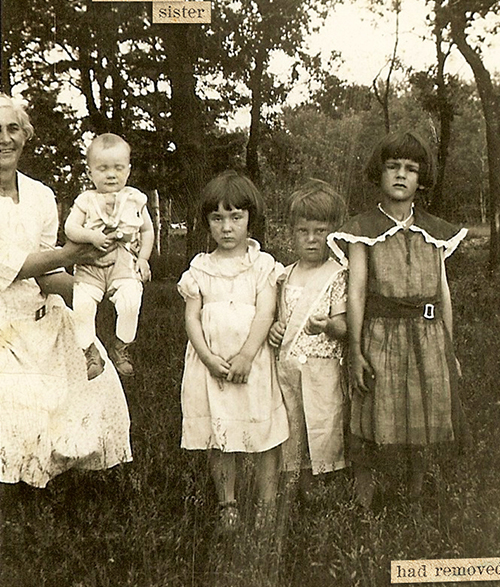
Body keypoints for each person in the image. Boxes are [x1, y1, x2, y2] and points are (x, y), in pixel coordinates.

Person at [328, 131, 469, 509]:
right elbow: (356, 292)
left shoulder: (434, 231)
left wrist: (449, 348)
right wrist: (355, 350)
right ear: (380, 172)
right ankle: (364, 497)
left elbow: (443, 294)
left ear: (421, 178)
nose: (401, 175)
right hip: (380, 334)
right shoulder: (361, 229)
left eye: (411, 169)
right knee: (372, 414)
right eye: (393, 167)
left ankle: (416, 492)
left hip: (427, 336)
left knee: (423, 407)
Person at [0, 94, 132, 489]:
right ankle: (14, 492)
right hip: (3, 326)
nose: (4, 139)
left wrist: (95, 285)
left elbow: (45, 275)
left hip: (42, 314)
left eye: (12, 129)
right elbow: (15, 265)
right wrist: (73, 251)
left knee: (96, 377)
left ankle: (61, 481)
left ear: (26, 135)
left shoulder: (40, 195)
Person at [177, 171, 288, 533]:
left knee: (264, 433)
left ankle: (267, 509)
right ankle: (228, 504)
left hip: (251, 362)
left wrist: (246, 356)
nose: (227, 227)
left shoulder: (263, 265)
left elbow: (266, 312)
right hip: (212, 366)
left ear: (250, 219)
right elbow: (191, 317)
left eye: (236, 217)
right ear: (207, 222)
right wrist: (208, 357)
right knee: (220, 435)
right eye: (217, 218)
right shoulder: (199, 268)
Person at [268, 180, 348, 499]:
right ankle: (294, 484)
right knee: (292, 425)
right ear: (292, 233)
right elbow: (279, 321)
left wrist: (328, 325)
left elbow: (344, 326)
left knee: (325, 425)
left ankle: (324, 488)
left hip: (323, 368)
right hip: (288, 367)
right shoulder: (284, 276)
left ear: (332, 232)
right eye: (304, 231)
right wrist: (275, 329)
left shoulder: (337, 273)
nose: (312, 239)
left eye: (320, 230)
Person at [64, 133, 154, 378]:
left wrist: (143, 258)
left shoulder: (134, 199)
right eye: (102, 168)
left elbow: (147, 230)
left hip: (123, 261)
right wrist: (91, 237)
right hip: (90, 265)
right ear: (91, 172)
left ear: (128, 170)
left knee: (131, 300)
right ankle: (89, 351)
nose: (111, 174)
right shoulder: (86, 200)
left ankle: (121, 345)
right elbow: (70, 229)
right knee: (82, 306)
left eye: (118, 168)